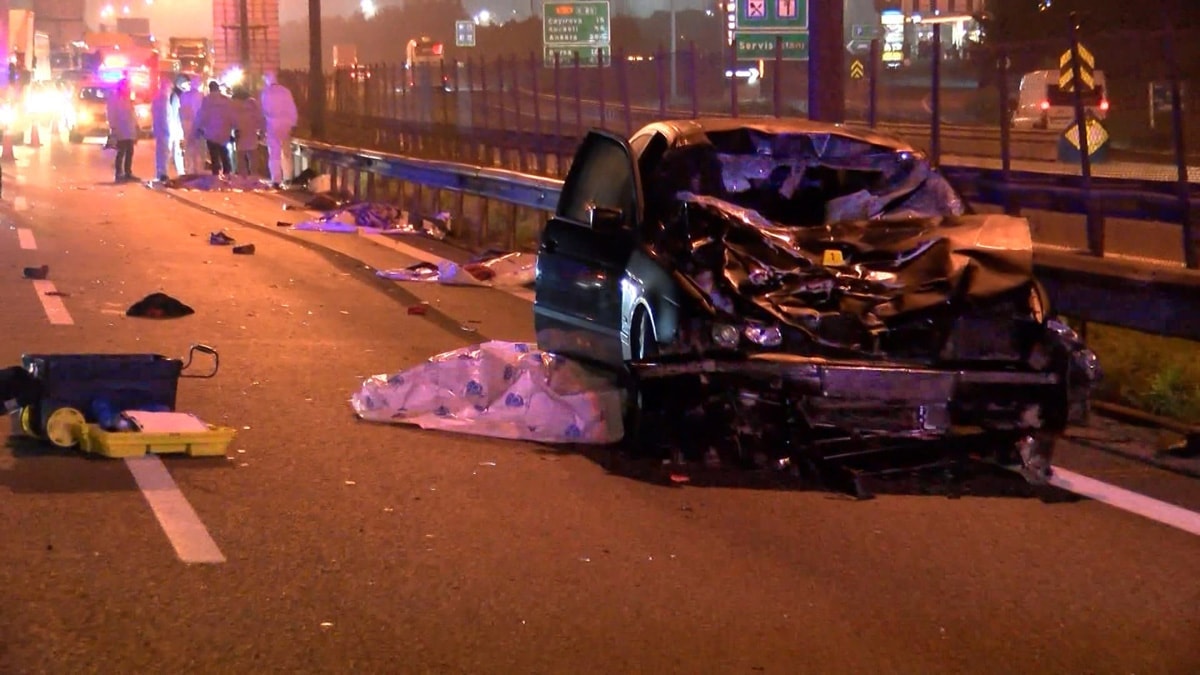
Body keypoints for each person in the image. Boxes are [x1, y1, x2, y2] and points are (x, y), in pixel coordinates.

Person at [260, 71, 298, 188]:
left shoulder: (266, 92)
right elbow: (292, 108)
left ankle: (276, 179)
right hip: (286, 124)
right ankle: (288, 177)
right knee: (286, 152)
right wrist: (293, 123)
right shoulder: (286, 91)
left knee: (274, 152)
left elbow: (263, 110)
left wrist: (263, 127)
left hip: (272, 124)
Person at [192, 81, 234, 177]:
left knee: (214, 157)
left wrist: (199, 127)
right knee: (224, 154)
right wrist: (233, 128)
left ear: (210, 89)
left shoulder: (206, 101)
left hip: (211, 132)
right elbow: (232, 115)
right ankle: (227, 175)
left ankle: (216, 176)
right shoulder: (226, 100)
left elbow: (202, 115)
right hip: (224, 132)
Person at [151, 74, 184, 181]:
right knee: (164, 152)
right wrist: (167, 130)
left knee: (162, 152)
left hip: (162, 129)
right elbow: (164, 115)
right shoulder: (163, 98)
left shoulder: (159, 97)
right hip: (164, 129)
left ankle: (161, 172)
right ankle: (162, 173)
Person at [105, 79, 139, 182]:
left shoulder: (128, 98)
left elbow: (132, 113)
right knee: (121, 151)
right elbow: (111, 113)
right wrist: (113, 127)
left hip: (129, 129)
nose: (128, 89)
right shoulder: (115, 98)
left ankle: (128, 172)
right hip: (121, 128)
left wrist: (136, 126)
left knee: (130, 151)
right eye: (126, 86)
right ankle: (119, 173)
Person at [230, 87, 264, 177]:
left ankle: (243, 176)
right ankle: (254, 175)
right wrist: (262, 131)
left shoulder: (233, 104)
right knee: (253, 155)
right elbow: (260, 117)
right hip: (252, 131)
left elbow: (230, 118)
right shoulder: (253, 103)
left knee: (241, 156)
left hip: (239, 132)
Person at [177, 75, 205, 174]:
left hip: (186, 123)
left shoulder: (184, 95)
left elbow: (181, 109)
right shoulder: (200, 95)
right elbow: (202, 110)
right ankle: (197, 169)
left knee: (189, 147)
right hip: (196, 123)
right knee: (197, 148)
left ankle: (189, 168)